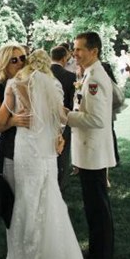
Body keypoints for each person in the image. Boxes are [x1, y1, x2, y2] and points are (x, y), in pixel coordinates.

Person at [0, 50, 95, 259]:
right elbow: (60, 117)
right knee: (49, 202)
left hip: (27, 151)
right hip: (47, 152)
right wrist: (59, 136)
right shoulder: (52, 84)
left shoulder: (15, 84)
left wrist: (9, 116)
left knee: (27, 205)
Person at [65, 32, 116, 259]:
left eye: (78, 49)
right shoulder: (89, 74)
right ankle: (100, 252)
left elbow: (95, 119)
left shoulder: (94, 77)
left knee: (97, 209)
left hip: (92, 153)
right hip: (89, 152)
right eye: (74, 49)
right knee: (95, 207)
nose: (74, 53)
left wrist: (65, 116)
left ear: (94, 51)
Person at [0, 43, 30, 190]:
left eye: (22, 58)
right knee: (15, 199)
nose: (20, 63)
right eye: (14, 60)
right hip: (11, 150)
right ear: (3, 64)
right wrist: (12, 121)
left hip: (36, 149)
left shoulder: (35, 83)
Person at [50, 45, 77, 188]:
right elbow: (73, 101)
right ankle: (61, 183)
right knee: (63, 154)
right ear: (64, 58)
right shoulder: (71, 76)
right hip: (63, 120)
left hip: (45, 120)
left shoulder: (41, 74)